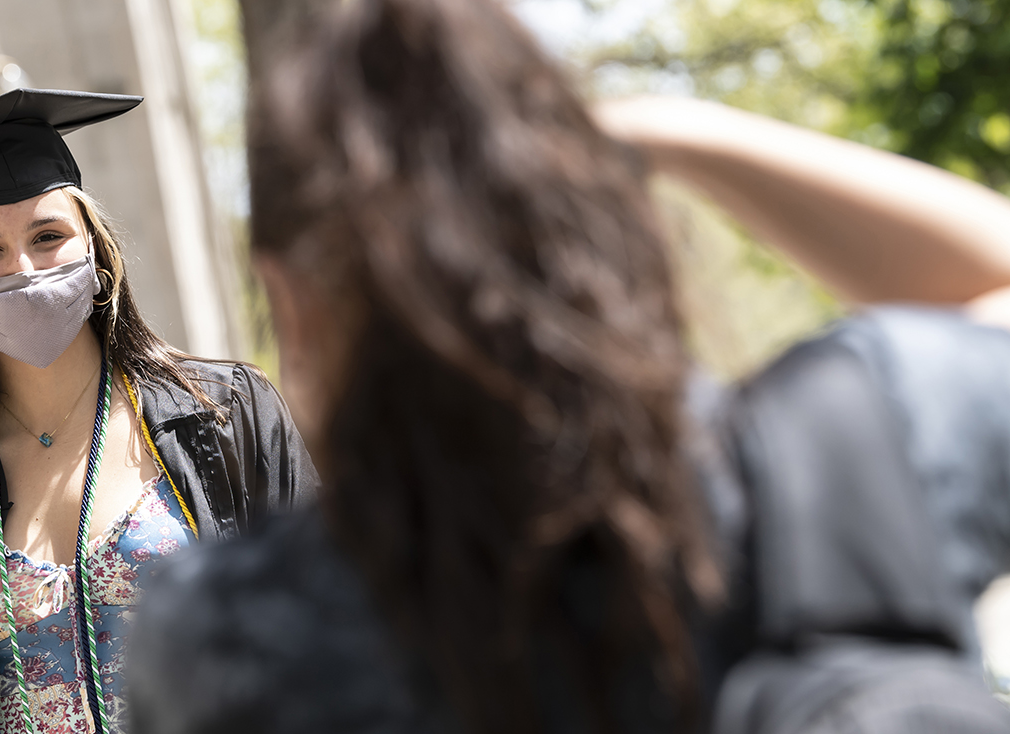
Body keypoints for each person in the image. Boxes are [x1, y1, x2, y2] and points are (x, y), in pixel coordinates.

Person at [125, 1, 1010, 732]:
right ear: (590, 210)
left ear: (289, 298)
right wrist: (672, 136)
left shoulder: (233, 635)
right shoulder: (842, 452)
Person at [0, 88, 316, 734]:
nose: (25, 268)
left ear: (94, 246)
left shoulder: (225, 419)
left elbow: (339, 633)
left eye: (48, 234)